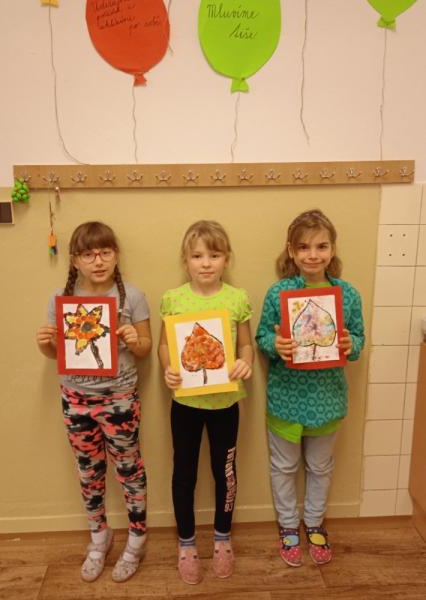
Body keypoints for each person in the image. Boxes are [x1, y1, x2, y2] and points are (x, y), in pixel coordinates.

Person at [36, 221, 151, 583]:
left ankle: (137, 539)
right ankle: (99, 538)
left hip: (120, 399)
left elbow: (145, 349)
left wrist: (134, 340)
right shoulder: (61, 299)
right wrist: (44, 344)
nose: (98, 261)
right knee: (89, 472)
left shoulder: (133, 296)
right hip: (76, 400)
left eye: (105, 252)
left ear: (116, 255)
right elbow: (57, 355)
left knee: (129, 470)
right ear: (75, 260)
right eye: (88, 254)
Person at [255, 209, 364, 567]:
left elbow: (359, 339)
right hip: (286, 398)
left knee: (320, 467)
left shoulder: (347, 294)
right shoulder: (279, 292)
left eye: (321, 246)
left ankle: (314, 523)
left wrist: (350, 344)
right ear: (291, 250)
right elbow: (262, 336)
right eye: (303, 247)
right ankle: (288, 526)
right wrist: (275, 344)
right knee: (284, 467)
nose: (313, 255)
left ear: (332, 249)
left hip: (327, 400)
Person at [158, 220, 254, 584]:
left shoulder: (237, 298)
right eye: (197, 256)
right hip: (185, 405)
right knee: (183, 473)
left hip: (225, 404)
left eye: (214, 255)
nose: (206, 263)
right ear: (185, 260)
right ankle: (185, 543)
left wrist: (245, 361)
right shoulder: (173, 299)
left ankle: (222, 538)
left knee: (224, 472)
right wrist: (168, 368)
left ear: (226, 258)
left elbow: (245, 344)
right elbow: (165, 345)